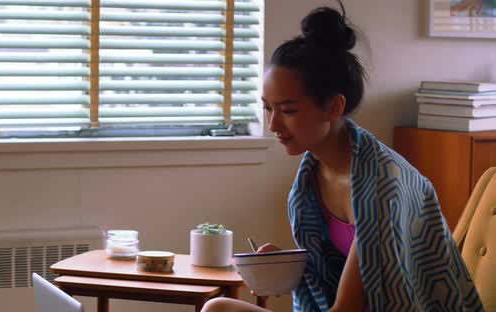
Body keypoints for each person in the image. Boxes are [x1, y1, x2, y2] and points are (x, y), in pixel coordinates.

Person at [202, 1, 483, 311]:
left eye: (289, 110)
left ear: (334, 107)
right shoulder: (312, 178)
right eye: (268, 107)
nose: (273, 124)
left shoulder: (379, 186)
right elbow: (333, 268)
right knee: (218, 308)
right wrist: (290, 266)